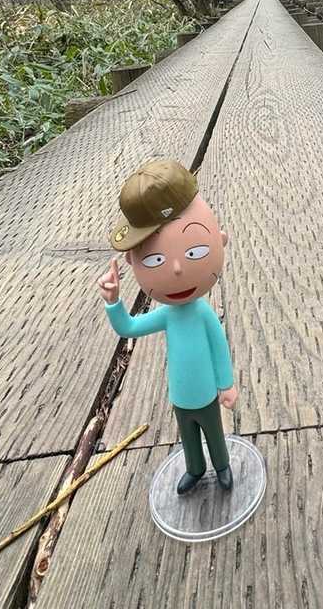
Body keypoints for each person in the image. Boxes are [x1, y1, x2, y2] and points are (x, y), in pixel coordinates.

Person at [98, 158, 238, 495]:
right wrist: (113, 301)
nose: (175, 269)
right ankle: (195, 468)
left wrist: (227, 384)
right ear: (132, 262)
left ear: (220, 240)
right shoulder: (167, 315)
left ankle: (222, 465)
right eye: (155, 259)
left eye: (195, 251)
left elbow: (219, 346)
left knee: (214, 432)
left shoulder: (203, 314)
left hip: (207, 393)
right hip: (180, 395)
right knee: (188, 435)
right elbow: (129, 327)